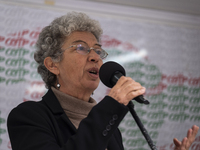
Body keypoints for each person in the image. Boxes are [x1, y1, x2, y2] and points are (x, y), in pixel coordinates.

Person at [7, 12, 199, 150]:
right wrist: (111, 107)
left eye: (98, 50)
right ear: (53, 64)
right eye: (81, 48)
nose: (95, 57)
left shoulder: (110, 126)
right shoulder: (28, 117)